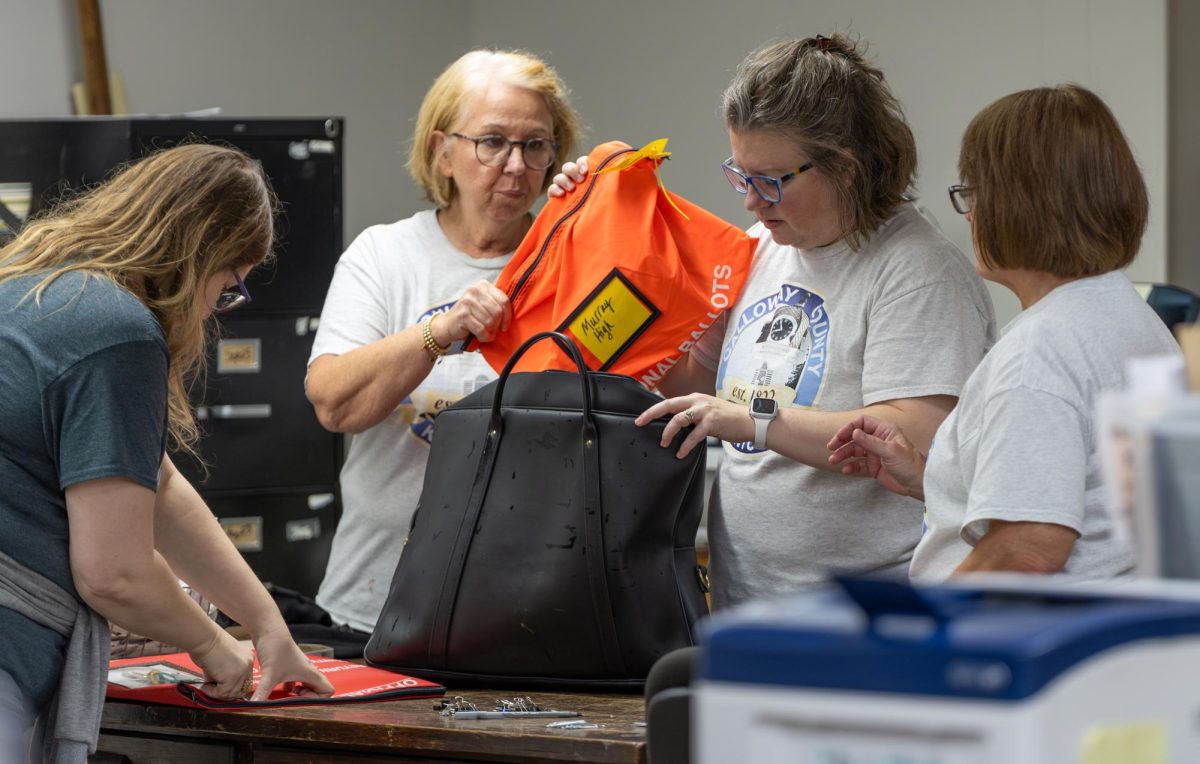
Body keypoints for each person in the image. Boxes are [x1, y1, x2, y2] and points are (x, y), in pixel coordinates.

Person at [551, 34, 995, 608]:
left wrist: (755, 421)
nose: (751, 202)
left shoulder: (919, 271)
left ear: (848, 168)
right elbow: (697, 388)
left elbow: (912, 432)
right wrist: (592, 227)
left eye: (771, 180)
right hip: (751, 600)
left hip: (868, 613)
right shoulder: (760, 244)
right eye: (741, 175)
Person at [0, 144, 333, 762]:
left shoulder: (36, 284)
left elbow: (156, 487)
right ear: (197, 259)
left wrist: (267, 626)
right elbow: (115, 574)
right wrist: (212, 645)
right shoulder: (116, 330)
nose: (216, 310)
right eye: (228, 288)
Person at [827, 84, 1181, 582]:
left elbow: (1031, 547)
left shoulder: (1043, 349)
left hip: (1038, 642)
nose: (969, 214)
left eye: (972, 193)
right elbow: (1084, 497)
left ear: (1019, 203)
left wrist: (928, 625)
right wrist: (931, 474)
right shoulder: (1128, 316)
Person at [306, 49, 581, 634]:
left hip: (524, 605)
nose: (515, 166)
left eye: (536, 145)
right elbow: (334, 402)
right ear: (442, 151)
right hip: (374, 600)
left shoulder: (576, 264)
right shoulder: (383, 257)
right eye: (492, 141)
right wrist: (437, 333)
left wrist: (595, 214)